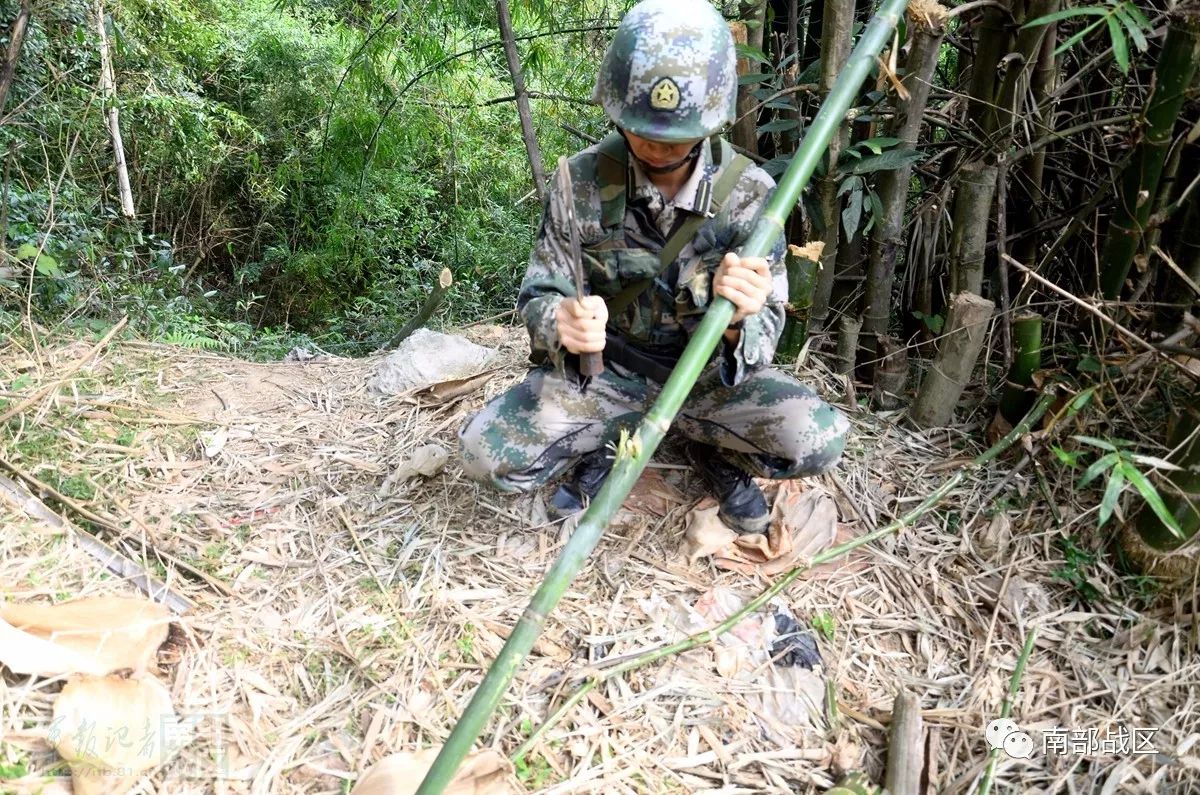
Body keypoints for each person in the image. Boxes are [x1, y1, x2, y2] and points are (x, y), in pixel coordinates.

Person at [459, 0, 849, 535]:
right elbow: (540, 291)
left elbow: (768, 329)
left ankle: (712, 448)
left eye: (676, 134)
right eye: (641, 128)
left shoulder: (751, 194)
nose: (656, 145)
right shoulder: (581, 182)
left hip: (706, 381)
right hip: (606, 377)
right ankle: (609, 440)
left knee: (818, 439)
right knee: (485, 454)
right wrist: (560, 321)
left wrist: (741, 320)